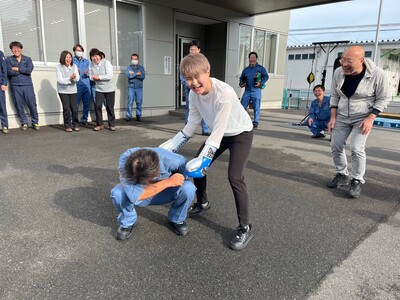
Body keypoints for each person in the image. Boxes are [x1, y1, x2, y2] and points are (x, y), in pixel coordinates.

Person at [160, 53, 254, 251]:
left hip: (239, 133)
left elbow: (219, 130)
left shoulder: (224, 93)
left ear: (207, 72)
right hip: (218, 135)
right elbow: (192, 124)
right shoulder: (193, 95)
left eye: (197, 77)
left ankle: (245, 227)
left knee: (235, 177)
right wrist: (171, 145)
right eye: (188, 79)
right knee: (195, 166)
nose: (193, 83)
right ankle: (203, 202)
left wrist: (206, 158)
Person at [327, 45, 391, 198]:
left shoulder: (377, 74)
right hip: (342, 115)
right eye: (343, 60)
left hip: (363, 116)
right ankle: (342, 174)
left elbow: (384, 98)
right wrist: (333, 117)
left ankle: (357, 179)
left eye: (348, 61)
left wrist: (370, 119)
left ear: (361, 60)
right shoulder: (338, 72)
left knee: (356, 147)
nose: (344, 64)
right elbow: (335, 95)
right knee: (335, 145)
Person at [111, 147, 196, 240]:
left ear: (156, 172)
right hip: (139, 194)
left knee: (188, 188)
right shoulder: (125, 160)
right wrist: (166, 182)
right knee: (117, 193)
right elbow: (135, 196)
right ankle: (128, 221)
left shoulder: (176, 161)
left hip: (163, 192)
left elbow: (185, 177)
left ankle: (176, 219)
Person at [5, 41, 39, 131]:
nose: (16, 50)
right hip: (15, 86)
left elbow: (29, 70)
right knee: (19, 105)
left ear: (21, 49)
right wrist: (21, 71)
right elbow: (9, 72)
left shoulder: (27, 59)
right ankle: (24, 122)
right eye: (14, 48)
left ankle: (35, 121)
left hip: (27, 85)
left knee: (32, 104)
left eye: (18, 48)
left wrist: (17, 69)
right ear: (12, 50)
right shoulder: (8, 60)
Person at [179, 40, 210, 136]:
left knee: (204, 107)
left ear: (199, 50)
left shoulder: (203, 61)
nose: (193, 51)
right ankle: (188, 129)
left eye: (195, 49)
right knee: (190, 108)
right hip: (189, 89)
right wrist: (188, 83)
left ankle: (205, 129)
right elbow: (182, 76)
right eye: (191, 50)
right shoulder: (185, 61)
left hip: (202, 88)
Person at [239, 51, 269, 128]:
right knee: (242, 105)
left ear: (256, 58)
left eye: (253, 57)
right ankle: (241, 120)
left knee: (256, 106)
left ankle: (255, 122)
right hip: (247, 90)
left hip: (256, 90)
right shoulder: (246, 70)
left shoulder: (260, 68)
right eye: (251, 58)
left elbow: (266, 77)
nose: (252, 59)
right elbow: (242, 78)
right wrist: (241, 84)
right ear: (249, 59)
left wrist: (261, 83)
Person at [89, 48, 116, 131]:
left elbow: (109, 75)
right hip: (99, 89)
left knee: (109, 107)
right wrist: (93, 78)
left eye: (96, 56)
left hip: (109, 89)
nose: (95, 58)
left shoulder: (106, 63)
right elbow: (90, 77)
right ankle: (100, 124)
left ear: (100, 56)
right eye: (93, 56)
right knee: (97, 106)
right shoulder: (91, 65)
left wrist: (99, 77)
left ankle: (112, 124)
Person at [56, 50, 80, 132]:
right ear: (63, 58)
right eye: (67, 57)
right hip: (63, 91)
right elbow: (60, 80)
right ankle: (67, 125)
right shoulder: (59, 67)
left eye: (70, 57)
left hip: (73, 90)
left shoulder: (74, 66)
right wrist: (70, 78)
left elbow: (77, 78)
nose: (68, 59)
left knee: (74, 108)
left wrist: (74, 78)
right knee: (66, 108)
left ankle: (75, 124)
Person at [72, 44, 91, 126]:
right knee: (75, 104)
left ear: (82, 51)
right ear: (74, 51)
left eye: (80, 50)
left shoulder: (87, 61)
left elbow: (91, 72)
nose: (79, 52)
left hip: (86, 84)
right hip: (77, 85)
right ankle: (73, 120)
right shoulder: (72, 61)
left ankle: (84, 119)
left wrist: (88, 73)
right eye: (77, 50)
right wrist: (76, 73)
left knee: (86, 103)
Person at [125, 53, 145, 122]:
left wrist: (133, 74)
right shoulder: (128, 68)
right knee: (130, 102)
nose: (134, 60)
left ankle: (139, 115)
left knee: (139, 102)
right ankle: (128, 116)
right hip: (131, 87)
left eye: (135, 59)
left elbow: (142, 77)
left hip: (139, 88)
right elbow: (128, 76)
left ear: (138, 59)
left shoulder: (141, 68)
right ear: (131, 59)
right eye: (133, 59)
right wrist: (137, 74)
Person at [0, 50, 8, 134]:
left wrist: (4, 83)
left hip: (0, 84)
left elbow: (4, 69)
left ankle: (4, 125)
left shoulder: (0, 53)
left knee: (2, 106)